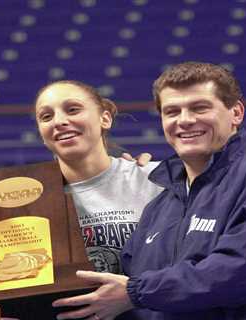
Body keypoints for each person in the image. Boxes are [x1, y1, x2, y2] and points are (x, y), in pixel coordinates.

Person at [52, 62, 246, 320]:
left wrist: (134, 292)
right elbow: (123, 296)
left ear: (237, 113)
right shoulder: (159, 206)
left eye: (200, 108)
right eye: (172, 111)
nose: (185, 120)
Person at [35, 80, 163, 274]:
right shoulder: (32, 200)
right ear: (42, 135)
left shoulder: (158, 180)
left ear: (105, 119)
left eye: (72, 110)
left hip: (147, 302)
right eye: (46, 116)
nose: (59, 121)